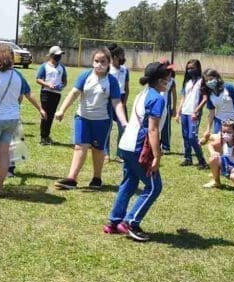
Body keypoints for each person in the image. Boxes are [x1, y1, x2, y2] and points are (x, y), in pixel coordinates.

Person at [103, 62, 170, 242]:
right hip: (138, 147)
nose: (170, 79)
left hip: (126, 145)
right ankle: (130, 222)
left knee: (129, 183)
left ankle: (114, 221)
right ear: (159, 79)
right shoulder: (157, 98)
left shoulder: (144, 93)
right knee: (154, 187)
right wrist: (157, 155)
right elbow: (153, 130)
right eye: (167, 76)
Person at [0, 43, 46, 198]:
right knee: (4, 153)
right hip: (12, 119)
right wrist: (41, 109)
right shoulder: (18, 75)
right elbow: (27, 94)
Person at [54, 48, 128, 190]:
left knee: (98, 149)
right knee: (80, 146)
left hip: (102, 121)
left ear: (109, 63)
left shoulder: (111, 81)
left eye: (103, 62)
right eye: (96, 61)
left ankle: (97, 178)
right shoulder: (85, 76)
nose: (99, 64)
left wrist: (123, 121)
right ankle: (72, 179)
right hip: (83, 118)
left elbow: (116, 102)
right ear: (92, 62)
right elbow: (74, 93)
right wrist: (62, 110)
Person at [175, 59, 208, 168]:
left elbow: (205, 98)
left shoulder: (202, 81)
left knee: (192, 137)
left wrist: (196, 111)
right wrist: (178, 112)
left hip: (194, 114)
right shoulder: (187, 82)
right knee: (185, 136)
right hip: (185, 112)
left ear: (198, 68)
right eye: (188, 68)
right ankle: (188, 158)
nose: (190, 70)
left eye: (192, 68)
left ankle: (201, 160)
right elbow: (183, 98)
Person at [201, 68, 234, 143]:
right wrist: (208, 129)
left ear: (217, 77)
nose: (209, 82)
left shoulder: (229, 87)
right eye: (206, 81)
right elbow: (211, 113)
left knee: (232, 143)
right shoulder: (210, 94)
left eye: (211, 79)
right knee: (219, 143)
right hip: (219, 121)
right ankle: (208, 139)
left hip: (233, 121)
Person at [36, 45, 67, 145]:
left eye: (60, 55)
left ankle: (47, 135)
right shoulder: (44, 66)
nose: (60, 57)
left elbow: (64, 81)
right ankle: (43, 137)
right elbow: (38, 79)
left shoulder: (62, 67)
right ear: (52, 55)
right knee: (45, 114)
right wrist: (48, 84)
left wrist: (62, 86)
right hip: (46, 93)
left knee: (51, 115)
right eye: (58, 55)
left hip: (56, 94)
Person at [103, 44, 129, 162]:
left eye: (123, 55)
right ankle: (106, 153)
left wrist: (124, 102)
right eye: (120, 56)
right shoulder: (108, 70)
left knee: (123, 128)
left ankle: (120, 154)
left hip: (121, 100)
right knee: (107, 128)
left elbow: (127, 88)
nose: (123, 58)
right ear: (113, 57)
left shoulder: (125, 70)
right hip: (109, 100)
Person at [158, 57, 177, 153]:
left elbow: (174, 94)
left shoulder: (172, 80)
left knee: (166, 126)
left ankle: (166, 146)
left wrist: (174, 108)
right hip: (157, 104)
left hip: (167, 105)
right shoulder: (156, 77)